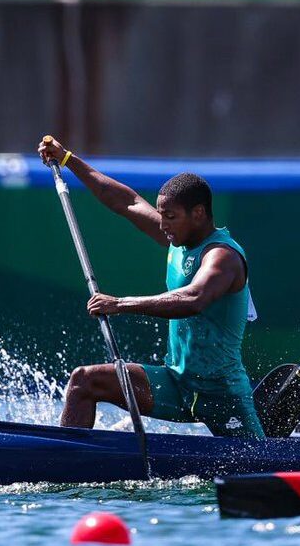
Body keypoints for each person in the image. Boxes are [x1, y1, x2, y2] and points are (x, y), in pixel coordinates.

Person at [38, 136, 264, 438]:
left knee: (258, 461)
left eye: (170, 216)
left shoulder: (223, 256)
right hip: (175, 383)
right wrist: (67, 160)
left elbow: (193, 299)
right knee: (83, 381)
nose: (163, 224)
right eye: (161, 215)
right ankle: (64, 460)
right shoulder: (176, 239)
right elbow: (125, 201)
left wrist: (120, 304)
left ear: (198, 214)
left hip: (222, 395)